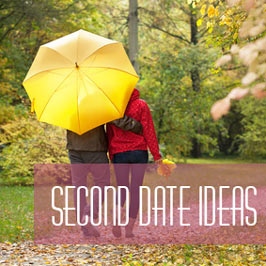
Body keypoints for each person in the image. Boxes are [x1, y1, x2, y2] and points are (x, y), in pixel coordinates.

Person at [67, 115, 143, 237]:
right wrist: (138, 126)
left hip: (74, 149)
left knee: (79, 187)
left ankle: (85, 228)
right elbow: (115, 118)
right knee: (102, 183)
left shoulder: (68, 102)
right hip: (95, 149)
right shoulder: (97, 100)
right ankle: (88, 214)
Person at [107, 88, 164, 238]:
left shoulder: (113, 109)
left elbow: (109, 134)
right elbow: (149, 131)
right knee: (135, 190)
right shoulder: (141, 105)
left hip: (119, 152)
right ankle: (129, 229)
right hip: (139, 152)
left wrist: (112, 154)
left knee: (122, 188)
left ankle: (117, 221)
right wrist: (156, 155)